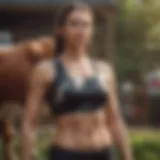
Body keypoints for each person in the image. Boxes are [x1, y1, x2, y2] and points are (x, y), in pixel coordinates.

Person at [21, 2, 133, 160]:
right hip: (66, 152)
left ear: (92, 30)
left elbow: (115, 121)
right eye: (74, 24)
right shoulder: (46, 70)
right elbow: (29, 123)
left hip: (104, 152)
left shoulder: (104, 70)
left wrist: (127, 157)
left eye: (86, 25)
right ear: (61, 29)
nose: (81, 30)